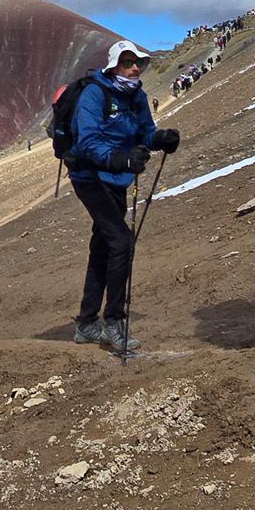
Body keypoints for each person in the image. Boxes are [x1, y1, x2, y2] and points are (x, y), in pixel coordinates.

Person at [66, 40, 178, 353]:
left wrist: (160, 139)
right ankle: (114, 320)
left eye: (138, 62)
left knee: (103, 245)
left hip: (116, 178)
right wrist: (120, 158)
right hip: (89, 177)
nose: (134, 68)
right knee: (121, 242)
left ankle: (87, 324)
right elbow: (86, 141)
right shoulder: (94, 94)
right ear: (114, 64)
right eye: (128, 62)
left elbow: (144, 132)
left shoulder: (137, 96)